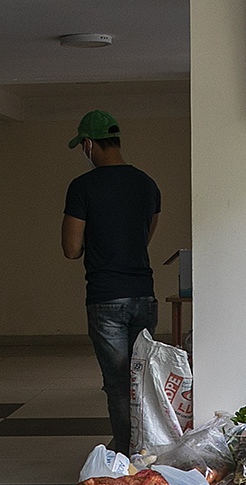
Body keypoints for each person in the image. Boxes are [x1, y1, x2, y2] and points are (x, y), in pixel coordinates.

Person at [61, 110, 160, 454]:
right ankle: (149, 447)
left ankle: (125, 451)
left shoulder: (82, 186)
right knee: (143, 382)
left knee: (118, 386)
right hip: (144, 296)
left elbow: (71, 249)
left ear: (88, 144)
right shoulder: (147, 184)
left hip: (105, 298)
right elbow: (145, 235)